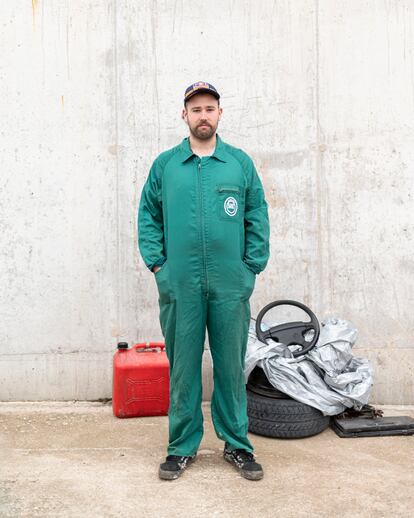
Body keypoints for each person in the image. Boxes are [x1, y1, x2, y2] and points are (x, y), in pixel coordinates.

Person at [138, 81, 270, 481]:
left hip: (230, 284)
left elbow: (256, 214)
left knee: (231, 367)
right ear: (184, 115)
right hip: (180, 283)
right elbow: (148, 216)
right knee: (183, 369)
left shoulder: (238, 164)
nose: (203, 115)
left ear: (219, 114)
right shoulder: (166, 165)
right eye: (195, 109)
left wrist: (252, 266)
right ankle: (181, 447)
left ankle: (237, 445)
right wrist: (158, 264)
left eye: (210, 108)